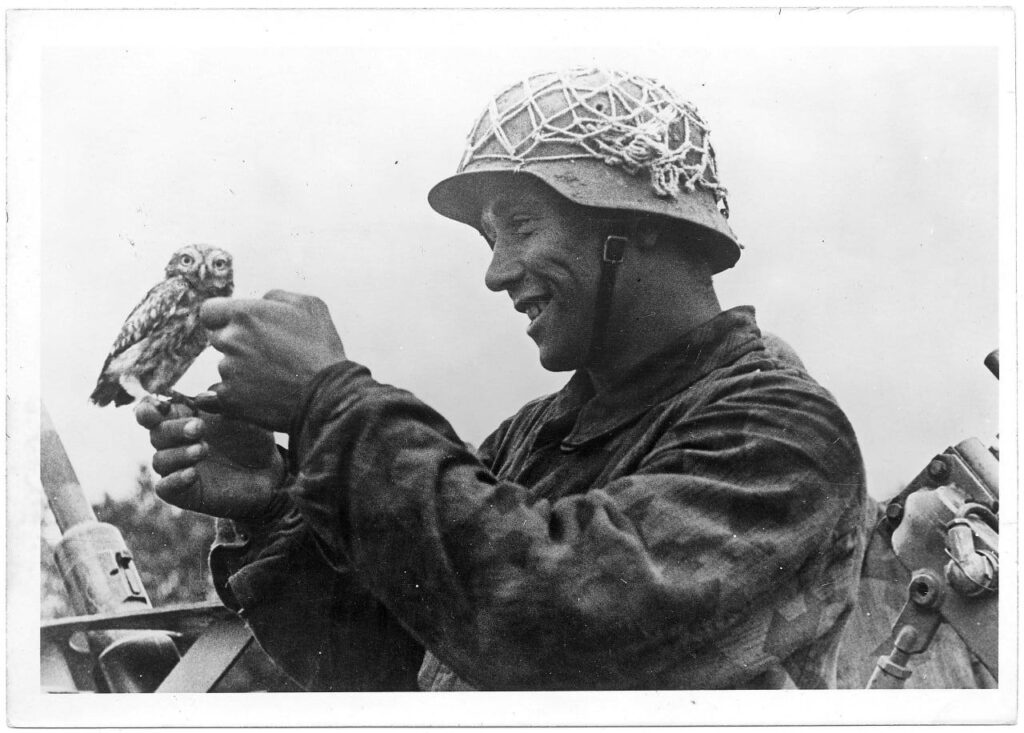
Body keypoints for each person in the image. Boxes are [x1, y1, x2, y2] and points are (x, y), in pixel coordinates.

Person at [136, 68, 869, 690]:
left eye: (520, 225)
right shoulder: (535, 436)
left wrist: (333, 401)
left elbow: (553, 620)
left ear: (638, 222)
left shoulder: (784, 434)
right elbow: (401, 655)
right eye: (491, 239)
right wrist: (275, 505)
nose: (495, 272)